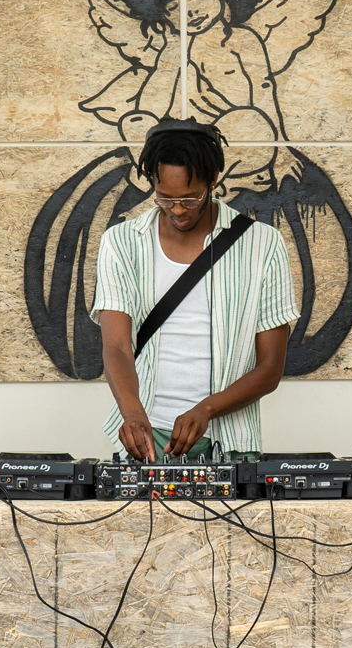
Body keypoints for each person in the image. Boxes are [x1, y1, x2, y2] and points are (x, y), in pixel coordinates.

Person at [92, 118, 298, 461]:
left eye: (190, 198)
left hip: (230, 440)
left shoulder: (263, 244)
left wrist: (206, 409)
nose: (177, 210)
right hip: (146, 436)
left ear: (213, 180)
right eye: (164, 198)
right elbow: (116, 346)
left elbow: (270, 368)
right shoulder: (121, 242)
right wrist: (132, 413)